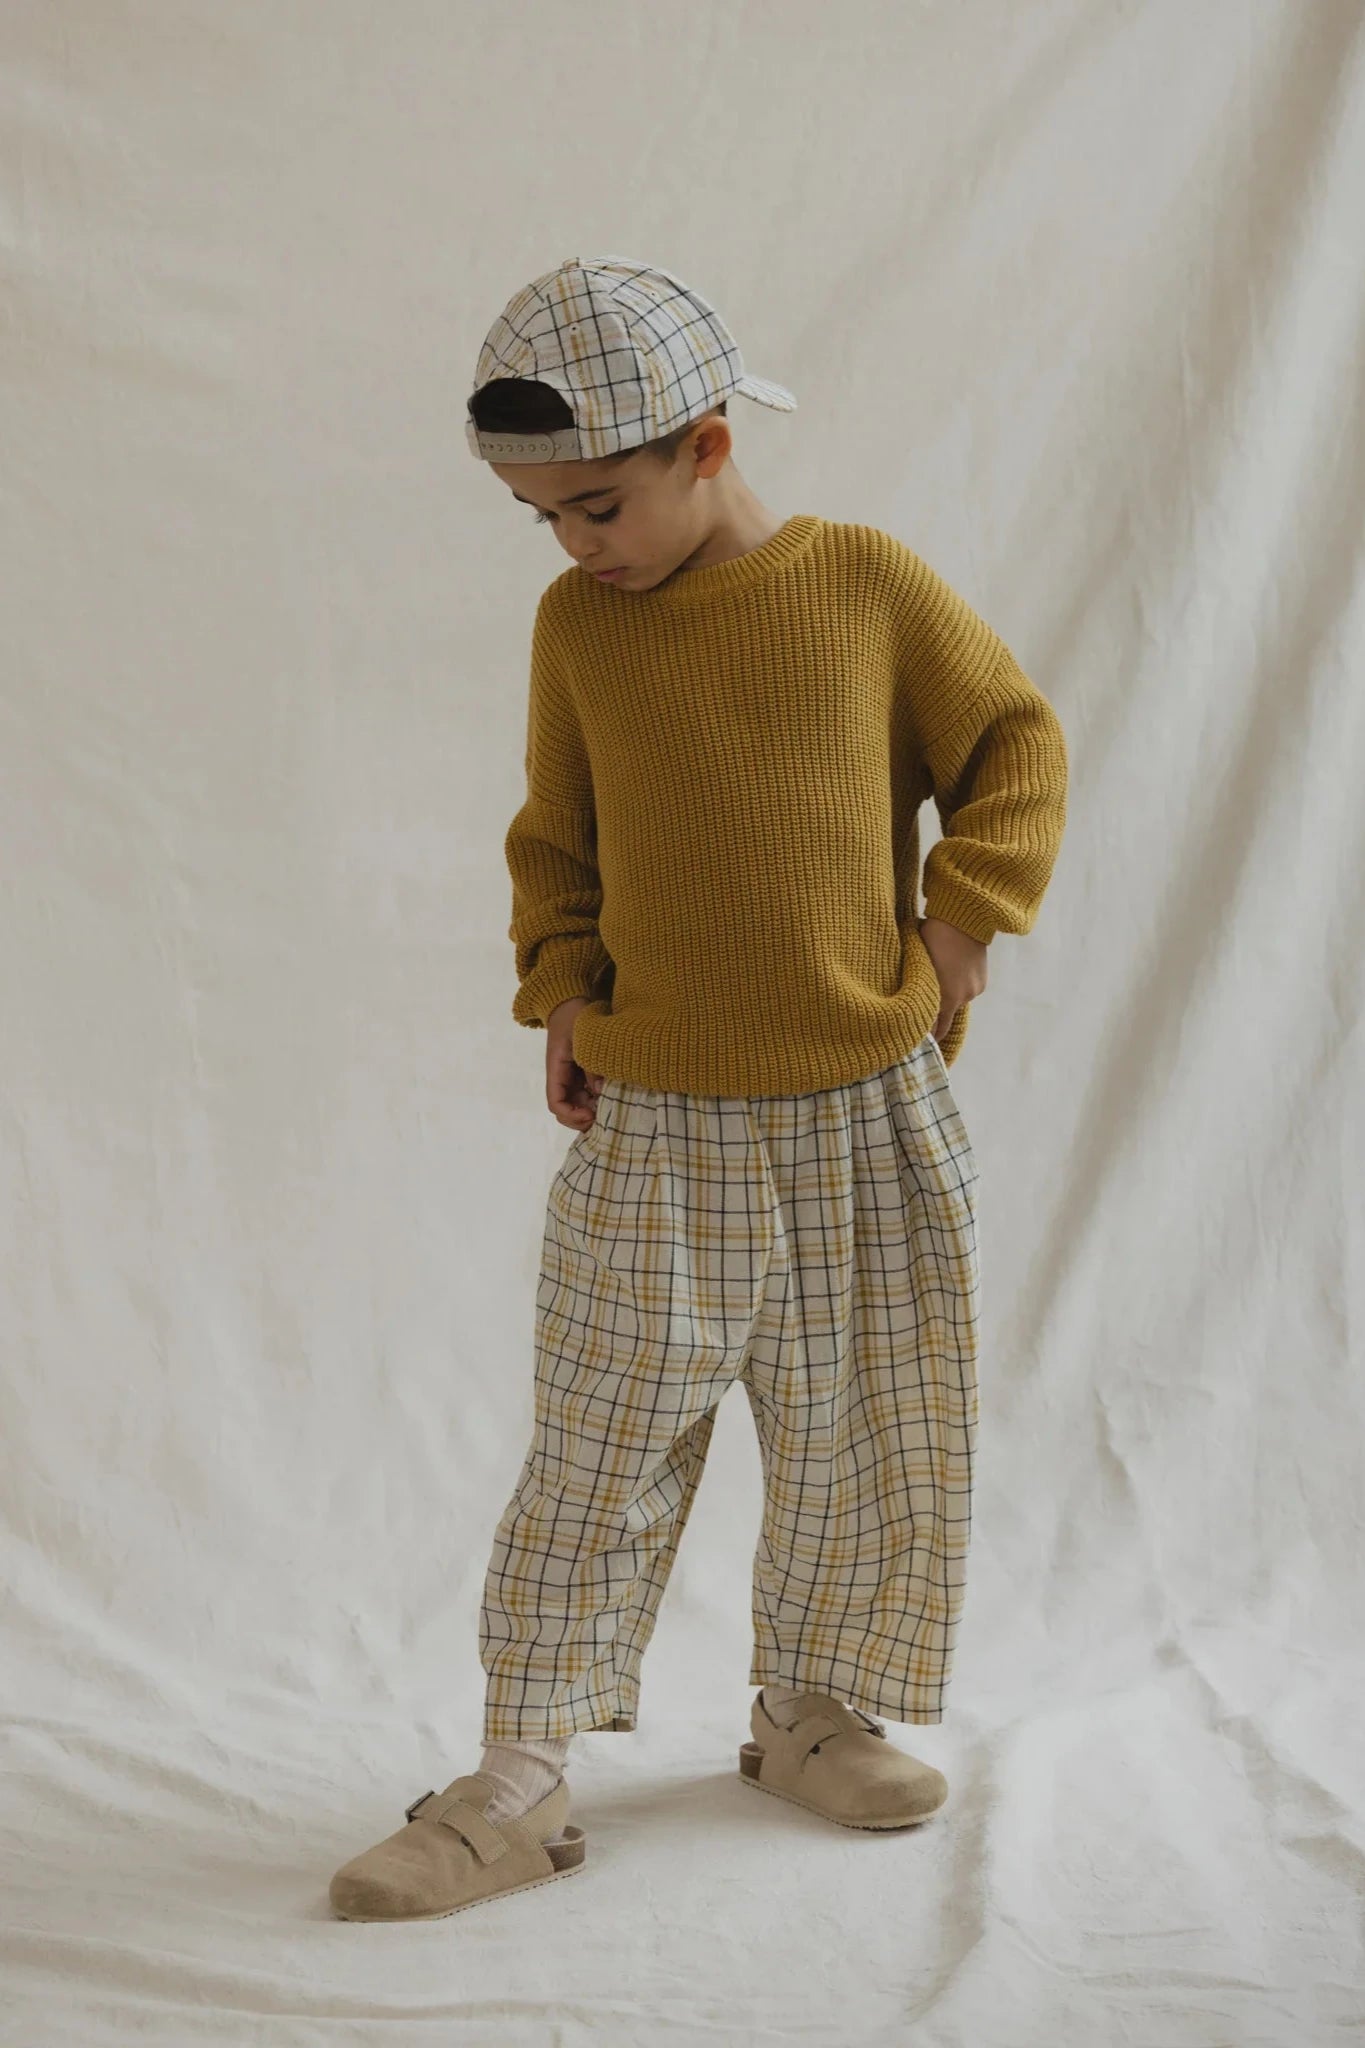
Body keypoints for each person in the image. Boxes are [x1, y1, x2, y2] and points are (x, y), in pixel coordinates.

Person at [329, 255, 1069, 1921]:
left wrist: (959, 933)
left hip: (864, 1104)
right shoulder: (577, 627)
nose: (575, 541)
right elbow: (553, 835)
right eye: (542, 518)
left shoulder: (865, 585)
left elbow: (1014, 741)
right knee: (598, 1438)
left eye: (595, 502)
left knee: (863, 1427)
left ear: (707, 447)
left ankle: (808, 1711)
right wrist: (563, 990)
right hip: (659, 1119)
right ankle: (517, 1774)